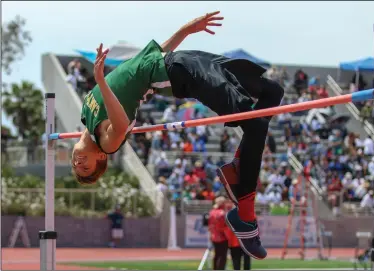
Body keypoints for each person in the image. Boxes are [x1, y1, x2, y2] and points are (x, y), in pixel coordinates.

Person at [71, 11, 284, 259]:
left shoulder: (86, 113)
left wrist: (186, 29)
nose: (78, 164)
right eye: (85, 169)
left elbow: (151, 55)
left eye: (77, 167)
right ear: (100, 158)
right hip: (182, 73)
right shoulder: (106, 143)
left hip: (182, 58)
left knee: (273, 91)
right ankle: (245, 215)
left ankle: (239, 168)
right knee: (255, 125)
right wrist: (101, 81)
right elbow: (119, 126)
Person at [225, 199, 251, 270]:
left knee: (236, 260)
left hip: (235, 242)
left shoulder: (229, 215)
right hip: (245, 241)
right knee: (245, 260)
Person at [208, 196, 229, 270]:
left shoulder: (211, 212)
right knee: (223, 256)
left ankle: (215, 269)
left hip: (214, 236)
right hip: (222, 237)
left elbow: (210, 226)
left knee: (216, 255)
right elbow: (223, 226)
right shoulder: (222, 213)